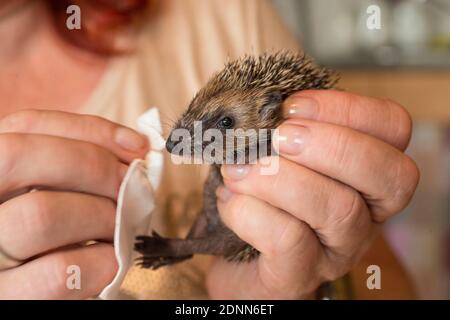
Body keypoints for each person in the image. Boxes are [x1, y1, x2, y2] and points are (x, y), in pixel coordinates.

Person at [0, 0, 419, 299]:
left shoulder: (225, 13)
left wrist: (315, 283)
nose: (184, 138)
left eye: (224, 124)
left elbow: (384, 279)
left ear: (271, 115)